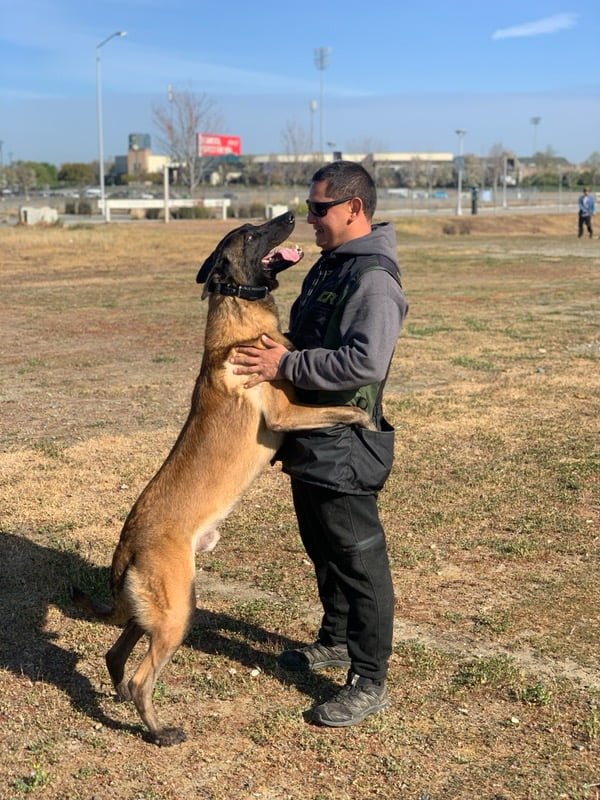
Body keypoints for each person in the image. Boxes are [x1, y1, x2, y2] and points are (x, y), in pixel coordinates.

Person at [230, 160, 408, 727]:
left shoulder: (373, 279)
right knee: (323, 550)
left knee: (358, 561)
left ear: (354, 209)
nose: (310, 220)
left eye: (318, 209)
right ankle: (333, 639)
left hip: (345, 443)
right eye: (309, 208)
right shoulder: (331, 267)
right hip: (309, 439)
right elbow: (310, 335)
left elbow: (365, 362)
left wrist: (286, 361)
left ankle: (368, 678)